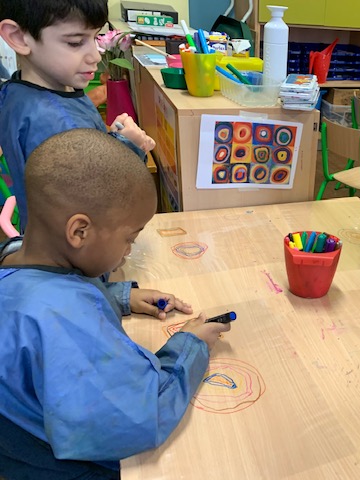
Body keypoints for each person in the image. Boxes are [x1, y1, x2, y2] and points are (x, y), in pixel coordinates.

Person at [0, 129, 229, 479]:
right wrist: (191, 346)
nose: (129, 252)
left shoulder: (14, 254)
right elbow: (142, 416)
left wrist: (119, 296)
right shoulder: (64, 321)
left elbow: (48, 285)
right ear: (79, 232)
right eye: (129, 238)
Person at [0, 0, 155, 230]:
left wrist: (111, 143)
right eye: (75, 42)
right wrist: (129, 147)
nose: (95, 56)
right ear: (18, 37)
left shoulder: (19, 89)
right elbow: (100, 202)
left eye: (95, 38)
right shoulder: (57, 124)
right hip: (75, 246)